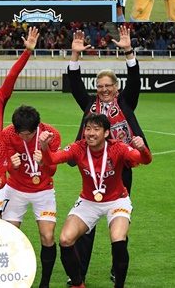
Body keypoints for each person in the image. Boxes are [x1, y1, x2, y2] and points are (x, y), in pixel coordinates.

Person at [67, 25, 148, 282]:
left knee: (119, 220)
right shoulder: (89, 105)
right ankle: (79, 272)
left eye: (108, 85)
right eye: (100, 86)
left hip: (121, 169)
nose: (103, 89)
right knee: (86, 223)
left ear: (116, 87)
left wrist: (128, 52)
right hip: (91, 169)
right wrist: (75, 56)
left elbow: (134, 80)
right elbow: (75, 85)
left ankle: (117, 269)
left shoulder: (126, 102)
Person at [40, 113, 152, 288]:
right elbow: (51, 160)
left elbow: (145, 160)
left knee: (118, 238)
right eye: (88, 129)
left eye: (96, 129)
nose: (91, 133)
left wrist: (143, 148)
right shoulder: (78, 148)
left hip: (117, 201)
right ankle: (78, 283)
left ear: (106, 133)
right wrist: (44, 146)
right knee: (65, 239)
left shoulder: (118, 148)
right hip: (88, 201)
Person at [1, 105, 61, 288]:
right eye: (21, 134)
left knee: (47, 236)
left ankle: (45, 283)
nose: (25, 138)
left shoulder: (51, 135)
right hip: (16, 189)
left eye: (29, 134)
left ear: (37, 128)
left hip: (43, 190)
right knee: (9, 235)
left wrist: (44, 160)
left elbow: (52, 171)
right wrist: (12, 165)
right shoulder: (7, 134)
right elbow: (5, 166)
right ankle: (11, 279)